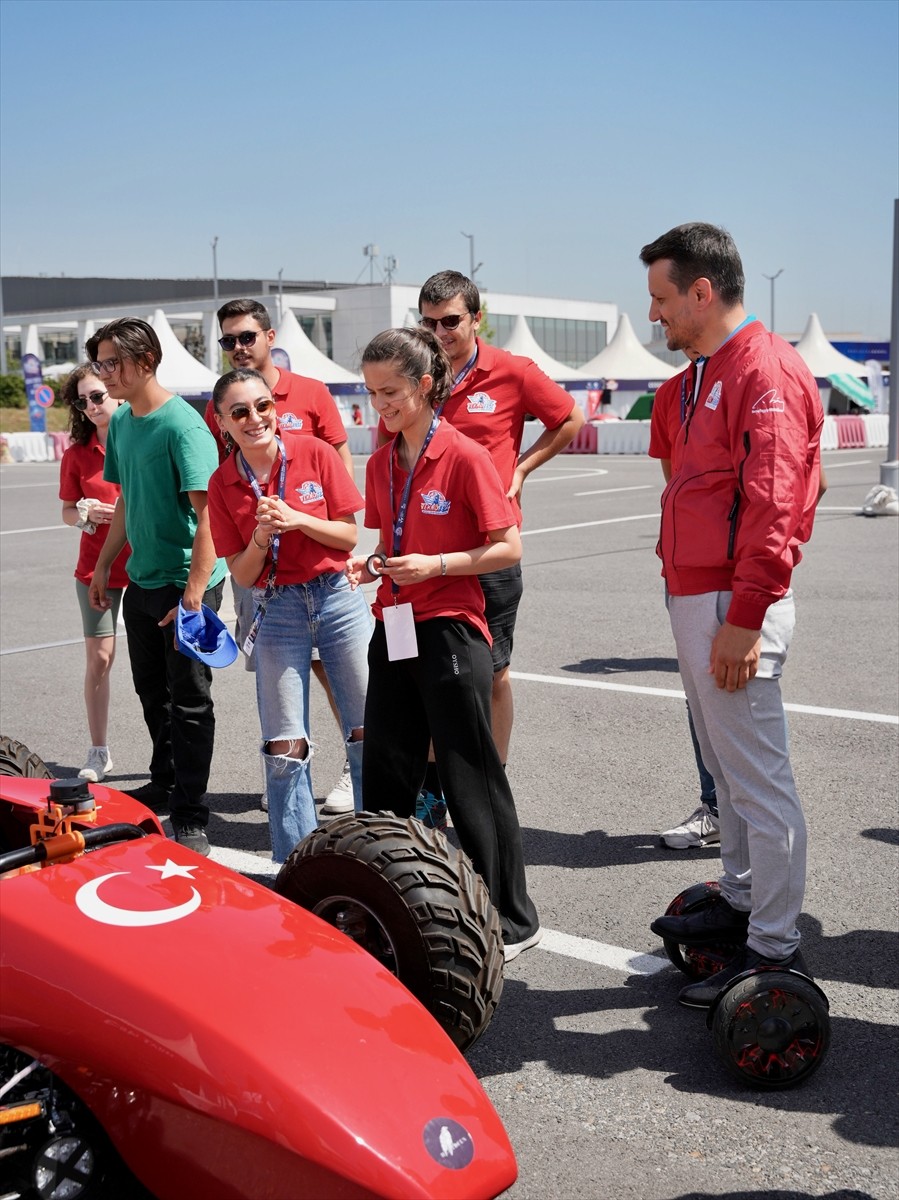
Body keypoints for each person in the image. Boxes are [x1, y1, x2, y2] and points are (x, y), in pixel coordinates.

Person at [640, 223, 824, 1006]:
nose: (654, 315)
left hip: (731, 603)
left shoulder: (765, 369)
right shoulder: (700, 374)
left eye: (660, 298)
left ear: (701, 291)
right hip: (697, 594)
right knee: (725, 771)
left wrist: (744, 618)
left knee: (756, 780)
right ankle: (744, 901)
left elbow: (778, 505)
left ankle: (775, 949)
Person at [349, 327, 541, 962]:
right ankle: (382, 900)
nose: (381, 406)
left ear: (426, 385)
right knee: (384, 771)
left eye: (393, 392)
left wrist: (436, 566)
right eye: (372, 394)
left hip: (452, 628)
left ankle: (514, 920)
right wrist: (369, 565)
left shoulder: (463, 454)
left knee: (469, 777)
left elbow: (507, 547)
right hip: (394, 624)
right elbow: (388, 542)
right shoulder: (380, 462)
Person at [381, 271, 584, 819]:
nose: (439, 331)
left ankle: (489, 785)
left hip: (487, 555)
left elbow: (569, 418)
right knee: (421, 674)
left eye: (450, 320)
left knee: (491, 673)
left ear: (476, 319)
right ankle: (432, 787)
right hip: (418, 557)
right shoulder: (412, 375)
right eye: (428, 321)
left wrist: (522, 469)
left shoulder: (511, 372)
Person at [207, 369, 370, 862]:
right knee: (284, 745)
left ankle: (377, 852)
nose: (255, 418)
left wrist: (298, 520)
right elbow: (241, 571)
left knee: (367, 731)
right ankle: (296, 863)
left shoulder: (315, 453)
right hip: (274, 606)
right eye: (240, 412)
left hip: (336, 597)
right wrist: (261, 536)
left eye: (262, 407)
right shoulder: (223, 483)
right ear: (222, 423)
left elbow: (347, 538)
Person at [87, 318, 226, 857]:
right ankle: (165, 780)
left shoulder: (183, 426)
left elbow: (208, 512)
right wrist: (104, 566)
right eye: (99, 363)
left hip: (185, 583)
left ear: (146, 360)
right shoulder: (121, 424)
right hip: (141, 578)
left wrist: (194, 592)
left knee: (189, 699)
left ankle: (191, 813)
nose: (104, 374)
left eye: (111, 363)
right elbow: (125, 501)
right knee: (151, 689)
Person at [648, 361, 721, 850]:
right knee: (701, 704)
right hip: (684, 574)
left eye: (662, 301)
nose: (655, 314)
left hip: (734, 579)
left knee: (743, 723)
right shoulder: (670, 395)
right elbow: (676, 481)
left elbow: (804, 484)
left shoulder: (750, 377)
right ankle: (717, 808)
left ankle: (744, 831)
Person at [59, 365, 130, 783]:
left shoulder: (138, 437)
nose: (91, 406)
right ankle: (99, 749)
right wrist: (83, 513)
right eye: (82, 400)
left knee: (156, 664)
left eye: (98, 396)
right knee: (100, 658)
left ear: (117, 393)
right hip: (94, 569)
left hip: (145, 567)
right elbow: (67, 510)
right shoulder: (76, 454)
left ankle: (168, 754)